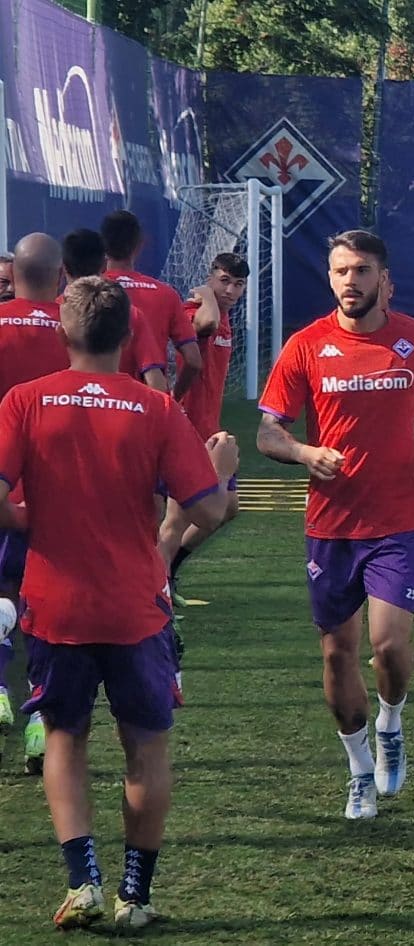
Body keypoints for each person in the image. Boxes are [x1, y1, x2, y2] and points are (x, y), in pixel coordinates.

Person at [0, 275, 237, 929]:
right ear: (129, 333)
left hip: (55, 605)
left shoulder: (25, 401)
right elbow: (209, 510)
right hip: (135, 607)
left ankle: (84, 885)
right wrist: (218, 471)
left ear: (63, 331)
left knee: (65, 740)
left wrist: (25, 522)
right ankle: (136, 895)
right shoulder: (156, 409)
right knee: (145, 747)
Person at [257, 230, 414, 819]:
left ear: (383, 278)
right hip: (331, 523)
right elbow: (269, 431)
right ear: (330, 277)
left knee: (389, 646)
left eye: (362, 270)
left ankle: (391, 722)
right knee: (335, 655)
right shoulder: (305, 346)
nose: (351, 281)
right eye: (341, 270)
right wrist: (302, 453)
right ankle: (359, 771)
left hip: (399, 518)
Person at [0, 234, 74, 772]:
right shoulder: (76, 330)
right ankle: (37, 721)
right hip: (57, 489)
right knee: (43, 606)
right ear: (61, 274)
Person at [162, 254, 250, 594]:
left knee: (227, 508)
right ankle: (158, 587)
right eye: (223, 280)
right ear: (210, 278)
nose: (230, 290)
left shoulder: (225, 319)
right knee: (176, 520)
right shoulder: (193, 311)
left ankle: (170, 568)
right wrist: (208, 296)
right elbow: (206, 325)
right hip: (185, 432)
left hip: (209, 430)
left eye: (238, 284)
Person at [101, 212, 202, 397]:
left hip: (95, 402)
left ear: (103, 247)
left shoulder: (86, 293)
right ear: (140, 245)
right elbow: (194, 360)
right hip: (146, 405)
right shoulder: (165, 294)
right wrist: (173, 399)